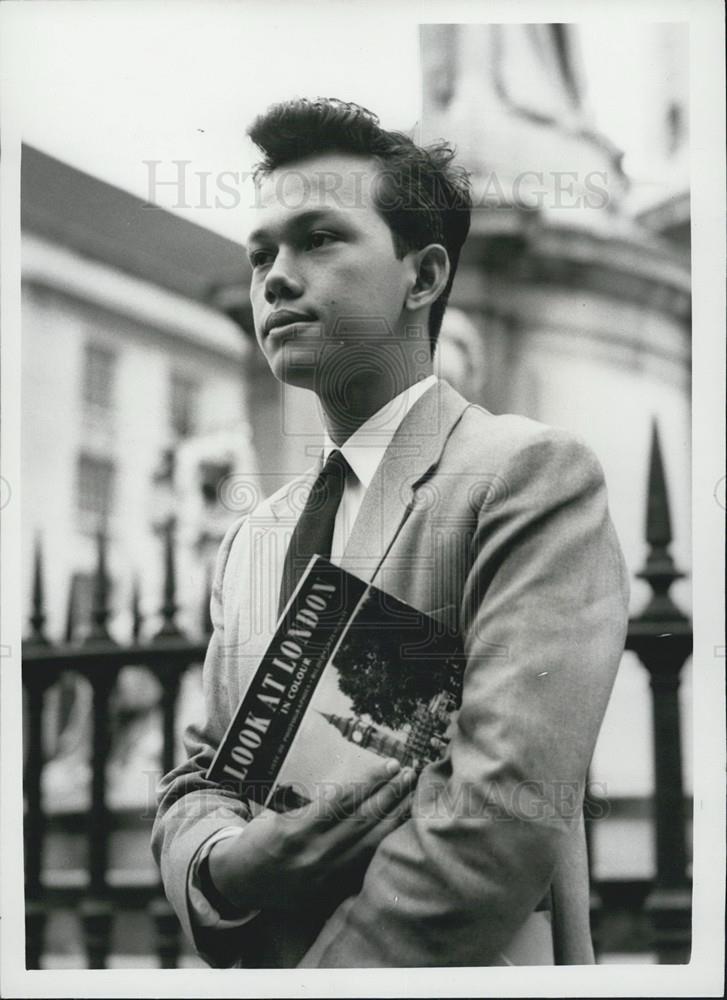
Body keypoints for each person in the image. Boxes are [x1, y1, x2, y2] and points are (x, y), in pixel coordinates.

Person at [152, 97, 629, 968]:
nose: (275, 278)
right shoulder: (253, 536)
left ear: (424, 276)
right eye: (261, 254)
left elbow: (498, 816)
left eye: (320, 238)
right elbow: (196, 775)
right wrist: (224, 868)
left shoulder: (527, 477)